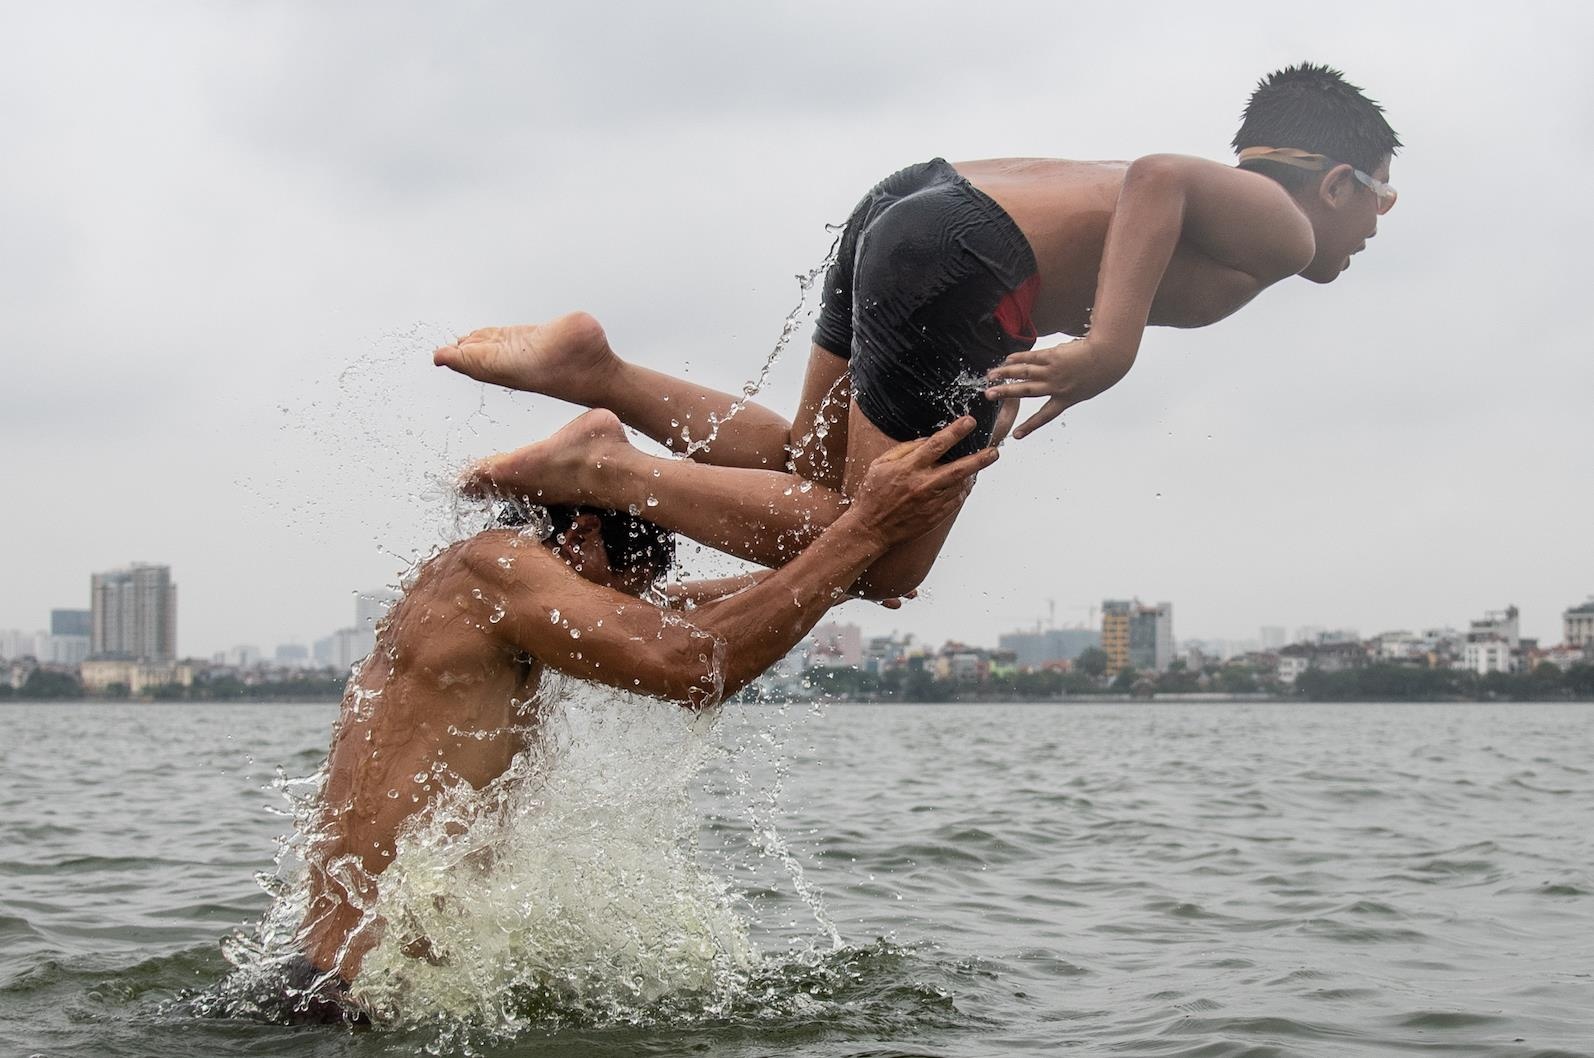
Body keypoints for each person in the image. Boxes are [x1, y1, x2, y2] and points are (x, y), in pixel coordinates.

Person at [432, 64, 1400, 597]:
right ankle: (601, 464)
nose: (1371, 228)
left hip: (917, 204)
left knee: (818, 471)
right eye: (1381, 199)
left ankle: (594, 370)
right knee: (884, 552)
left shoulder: (1228, 219)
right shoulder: (1282, 221)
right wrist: (1110, 345)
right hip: (968, 252)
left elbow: (1143, 187)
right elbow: (1163, 173)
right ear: (1336, 180)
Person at [279, 415, 994, 1018]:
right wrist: (861, 530)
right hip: (350, 1011)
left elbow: (661, 618)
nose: (642, 598)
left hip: (358, 997)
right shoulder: (494, 571)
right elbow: (691, 664)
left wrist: (835, 580)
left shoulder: (488, 578)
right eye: (635, 578)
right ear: (584, 532)